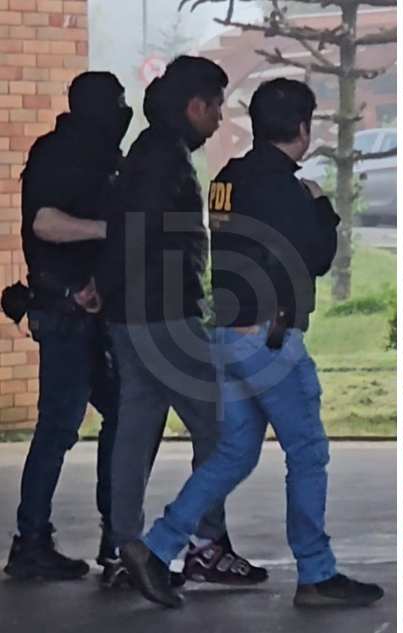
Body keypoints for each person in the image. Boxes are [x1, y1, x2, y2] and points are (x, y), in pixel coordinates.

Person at [120, 77, 383, 609]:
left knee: (234, 453)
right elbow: (316, 257)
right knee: (307, 452)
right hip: (270, 338)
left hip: (227, 334)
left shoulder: (227, 178)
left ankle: (155, 548)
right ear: (304, 129)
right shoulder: (284, 187)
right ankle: (316, 573)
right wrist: (322, 206)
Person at [95, 56, 266, 587]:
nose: (219, 117)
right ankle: (205, 546)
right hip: (165, 316)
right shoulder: (164, 159)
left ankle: (128, 545)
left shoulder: (148, 152)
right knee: (221, 430)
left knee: (135, 428)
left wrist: (104, 288)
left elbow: (125, 232)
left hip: (133, 317)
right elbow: (140, 233)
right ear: (195, 106)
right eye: (216, 106)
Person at [2, 72, 127, 582]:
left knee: (120, 414)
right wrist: (107, 233)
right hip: (66, 311)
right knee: (59, 426)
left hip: (91, 309)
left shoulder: (97, 153)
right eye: (117, 103)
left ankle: (115, 535)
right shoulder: (57, 153)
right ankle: (32, 540)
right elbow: (44, 223)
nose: (124, 112)